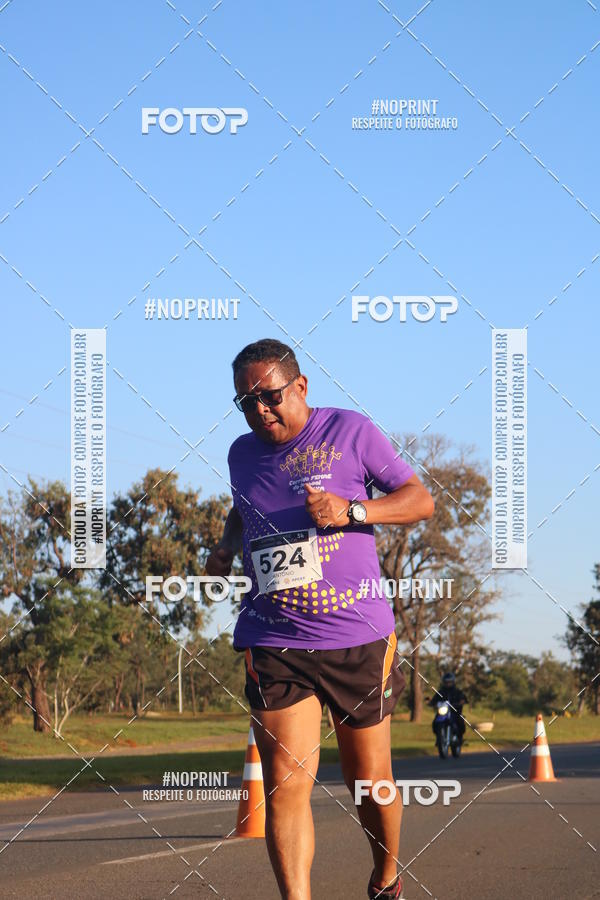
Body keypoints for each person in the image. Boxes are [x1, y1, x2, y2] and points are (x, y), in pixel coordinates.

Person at [206, 338, 435, 900]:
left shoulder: (351, 432)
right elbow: (243, 511)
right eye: (245, 402)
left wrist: (353, 510)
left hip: (356, 636)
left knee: (370, 786)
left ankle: (385, 877)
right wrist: (223, 545)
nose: (259, 409)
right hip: (276, 637)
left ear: (300, 387)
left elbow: (419, 499)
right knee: (284, 787)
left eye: (269, 395)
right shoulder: (241, 453)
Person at [429, 673, 467, 737]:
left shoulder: (457, 691)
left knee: (460, 721)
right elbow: (434, 700)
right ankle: (439, 737)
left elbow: (463, 698)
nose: (448, 684)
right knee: (435, 722)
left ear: (453, 682)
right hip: (443, 712)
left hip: (455, 711)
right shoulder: (441, 692)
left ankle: (459, 738)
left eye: (449, 682)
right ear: (444, 682)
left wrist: (461, 702)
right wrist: (431, 703)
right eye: (446, 682)